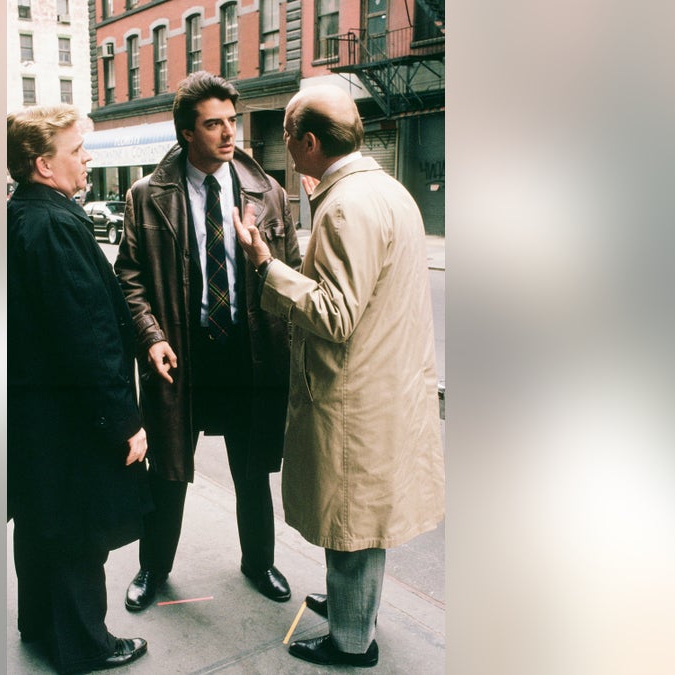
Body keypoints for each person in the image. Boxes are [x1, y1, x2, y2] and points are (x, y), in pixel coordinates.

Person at [233, 85, 445, 668]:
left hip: (356, 395)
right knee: (360, 518)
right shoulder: (387, 190)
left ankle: (352, 641)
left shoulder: (346, 204)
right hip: (383, 386)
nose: (283, 147)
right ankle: (353, 607)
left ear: (308, 141)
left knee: (351, 522)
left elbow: (335, 314)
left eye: (286, 135)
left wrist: (266, 265)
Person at [114, 72, 303, 611]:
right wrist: (150, 337)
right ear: (185, 133)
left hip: (249, 355)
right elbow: (128, 276)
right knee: (169, 473)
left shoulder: (265, 191)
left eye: (232, 121)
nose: (228, 134)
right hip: (182, 356)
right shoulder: (149, 196)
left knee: (252, 472)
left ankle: (259, 563)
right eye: (213, 123)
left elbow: (287, 271)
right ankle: (154, 569)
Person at [7, 105, 151, 673]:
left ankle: (40, 625)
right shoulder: (57, 225)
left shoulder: (19, 215)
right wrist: (124, 421)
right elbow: (89, 336)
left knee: (41, 520)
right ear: (44, 163)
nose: (86, 158)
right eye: (76, 150)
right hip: (70, 416)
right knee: (78, 530)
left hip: (34, 411)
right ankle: (88, 645)